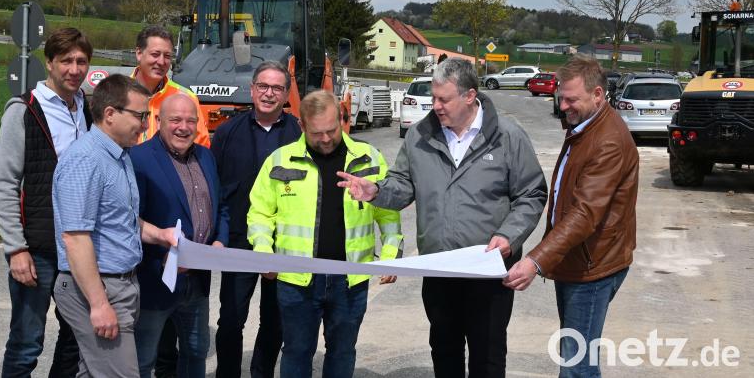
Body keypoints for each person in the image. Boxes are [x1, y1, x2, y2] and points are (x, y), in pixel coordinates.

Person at [338, 58, 548, 378]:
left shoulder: (507, 136)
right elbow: (403, 185)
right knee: (444, 352)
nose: (435, 106)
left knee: (487, 357)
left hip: (488, 272)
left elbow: (531, 194)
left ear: (469, 96)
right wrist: (376, 191)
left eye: (443, 99)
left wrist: (509, 235)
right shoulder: (420, 135)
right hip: (438, 271)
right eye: (433, 97)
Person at [247, 90, 402, 378]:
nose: (327, 138)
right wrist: (262, 250)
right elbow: (260, 213)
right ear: (302, 127)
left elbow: (387, 211)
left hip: (350, 281)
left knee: (342, 353)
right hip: (296, 281)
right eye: (317, 133)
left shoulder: (368, 157)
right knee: (295, 351)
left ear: (342, 119)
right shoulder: (280, 161)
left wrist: (391, 254)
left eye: (332, 129)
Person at [503, 54, 639, 377]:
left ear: (597, 95)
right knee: (576, 357)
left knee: (577, 366)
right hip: (576, 261)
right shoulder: (584, 124)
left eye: (571, 99)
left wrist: (535, 260)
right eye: (560, 97)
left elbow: (585, 214)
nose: (563, 106)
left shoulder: (608, 141)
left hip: (593, 269)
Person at [52, 74, 178, 376]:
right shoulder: (86, 160)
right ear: (110, 114)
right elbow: (75, 238)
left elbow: (119, 219)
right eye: (140, 115)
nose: (146, 124)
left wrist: (159, 234)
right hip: (98, 288)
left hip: (119, 285)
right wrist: (98, 304)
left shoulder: (118, 156)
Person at [0, 27, 92, 377]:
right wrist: (15, 249)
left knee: (77, 337)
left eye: (81, 61)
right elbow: (5, 186)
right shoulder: (23, 110)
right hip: (36, 250)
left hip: (78, 248)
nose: (74, 69)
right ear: (49, 63)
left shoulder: (88, 109)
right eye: (66, 61)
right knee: (26, 343)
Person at [129, 93, 230, 378]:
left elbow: (220, 206)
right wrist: (163, 258)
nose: (183, 127)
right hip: (155, 279)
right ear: (158, 121)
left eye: (190, 120)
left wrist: (219, 241)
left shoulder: (206, 156)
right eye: (175, 120)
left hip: (196, 283)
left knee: (196, 352)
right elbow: (128, 221)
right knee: (143, 359)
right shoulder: (139, 159)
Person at [211, 61, 301, 378]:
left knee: (274, 319)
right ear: (252, 89)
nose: (268, 93)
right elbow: (216, 190)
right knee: (232, 318)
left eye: (277, 88)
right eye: (263, 86)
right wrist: (219, 236)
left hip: (282, 244)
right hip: (238, 241)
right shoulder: (226, 133)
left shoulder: (297, 134)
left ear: (286, 94)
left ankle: (261, 373)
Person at [131, 24, 210, 147]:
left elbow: (201, 147)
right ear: (139, 53)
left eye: (167, 56)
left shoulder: (186, 98)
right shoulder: (116, 93)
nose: (162, 62)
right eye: (155, 54)